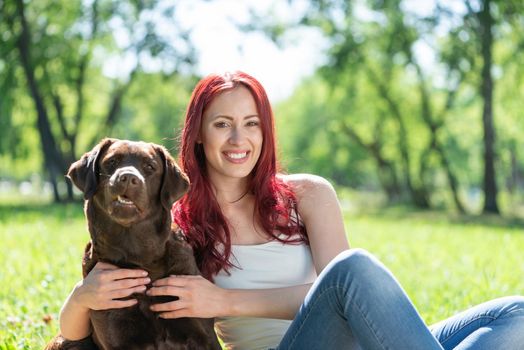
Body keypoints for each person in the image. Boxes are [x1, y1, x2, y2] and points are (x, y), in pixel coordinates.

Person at [58, 71, 524, 349]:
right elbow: (80, 327)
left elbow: (344, 300)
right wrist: (82, 296)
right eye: (223, 124)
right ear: (198, 133)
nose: (239, 140)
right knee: (353, 269)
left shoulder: (308, 194)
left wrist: (224, 301)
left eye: (251, 124)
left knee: (517, 315)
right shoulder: (179, 225)